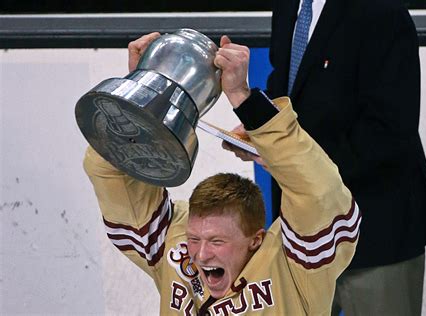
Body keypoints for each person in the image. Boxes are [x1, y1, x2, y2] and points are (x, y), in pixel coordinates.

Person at [83, 33, 361, 315]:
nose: (201, 255)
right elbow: (112, 170)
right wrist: (141, 98)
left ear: (256, 239)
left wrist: (245, 99)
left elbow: (320, 191)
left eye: (217, 241)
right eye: (194, 239)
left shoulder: (293, 265)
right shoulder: (170, 244)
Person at [225, 0, 426, 315]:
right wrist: (255, 123)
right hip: (304, 239)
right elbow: (287, 93)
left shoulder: (382, 12)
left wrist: (287, 158)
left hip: (375, 235)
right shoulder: (289, 7)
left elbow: (389, 134)